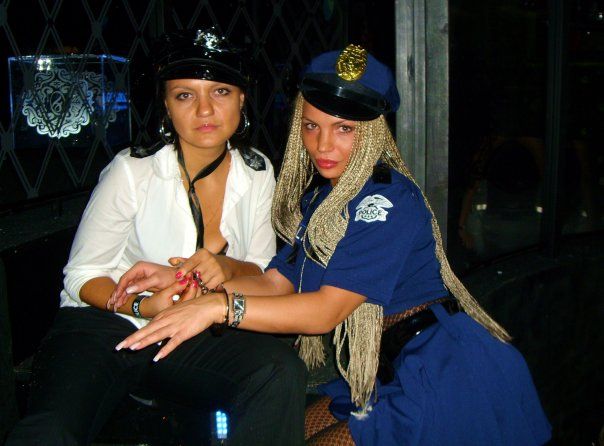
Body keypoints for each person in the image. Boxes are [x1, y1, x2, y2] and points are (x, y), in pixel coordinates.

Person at [113, 45, 552, 445]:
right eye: (312, 126)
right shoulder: (323, 200)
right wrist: (193, 285)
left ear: (373, 132)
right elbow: (278, 283)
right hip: (376, 372)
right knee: (283, 431)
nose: (323, 144)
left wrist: (219, 308)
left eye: (344, 128)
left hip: (440, 371)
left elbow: (326, 311)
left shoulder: (385, 200)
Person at [6, 28, 306, 446]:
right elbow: (81, 275)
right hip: (107, 324)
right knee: (50, 430)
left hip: (192, 328)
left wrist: (223, 267)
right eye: (184, 95)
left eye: (220, 92)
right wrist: (144, 305)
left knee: (279, 371)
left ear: (241, 99)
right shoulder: (132, 170)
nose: (205, 109)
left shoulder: (257, 172)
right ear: (166, 104)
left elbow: (259, 269)